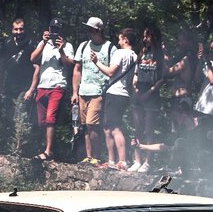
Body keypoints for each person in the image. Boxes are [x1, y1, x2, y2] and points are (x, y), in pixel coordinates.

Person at [27, 18, 74, 161]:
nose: (54, 32)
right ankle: (48, 147)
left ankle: (48, 151)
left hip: (57, 85)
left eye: (57, 30)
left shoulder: (67, 46)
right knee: (41, 121)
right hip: (42, 85)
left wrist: (61, 51)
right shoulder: (44, 44)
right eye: (53, 29)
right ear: (49, 29)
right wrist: (43, 42)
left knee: (50, 118)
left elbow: (70, 64)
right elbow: (32, 58)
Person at [72, 17, 112, 165]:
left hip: (98, 91)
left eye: (92, 29)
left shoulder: (109, 47)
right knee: (85, 126)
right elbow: (77, 70)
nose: (89, 32)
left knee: (92, 124)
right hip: (83, 91)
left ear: (98, 31)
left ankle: (97, 155)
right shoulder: (83, 46)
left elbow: (113, 70)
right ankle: (89, 157)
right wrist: (75, 92)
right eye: (88, 29)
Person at [97, 27, 138, 170]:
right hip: (125, 94)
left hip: (115, 93)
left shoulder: (119, 53)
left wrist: (96, 61)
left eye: (120, 38)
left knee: (114, 128)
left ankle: (121, 161)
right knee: (108, 127)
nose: (118, 41)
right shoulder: (134, 56)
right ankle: (112, 161)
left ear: (125, 39)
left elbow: (110, 72)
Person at [0, 17, 36, 155]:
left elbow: (37, 68)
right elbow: (0, 66)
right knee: (6, 116)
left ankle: (19, 149)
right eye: (16, 29)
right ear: (12, 30)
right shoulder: (7, 44)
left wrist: (31, 89)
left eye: (21, 29)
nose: (18, 32)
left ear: (25, 29)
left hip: (24, 87)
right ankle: (6, 147)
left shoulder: (31, 45)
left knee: (20, 117)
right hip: (8, 86)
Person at [130, 25, 166, 171]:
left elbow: (162, 79)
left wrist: (149, 92)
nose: (144, 39)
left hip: (151, 94)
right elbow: (136, 73)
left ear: (154, 37)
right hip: (139, 92)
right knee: (137, 127)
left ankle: (147, 162)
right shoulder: (142, 52)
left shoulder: (160, 54)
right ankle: (136, 160)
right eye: (144, 36)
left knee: (149, 128)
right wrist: (134, 87)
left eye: (147, 36)